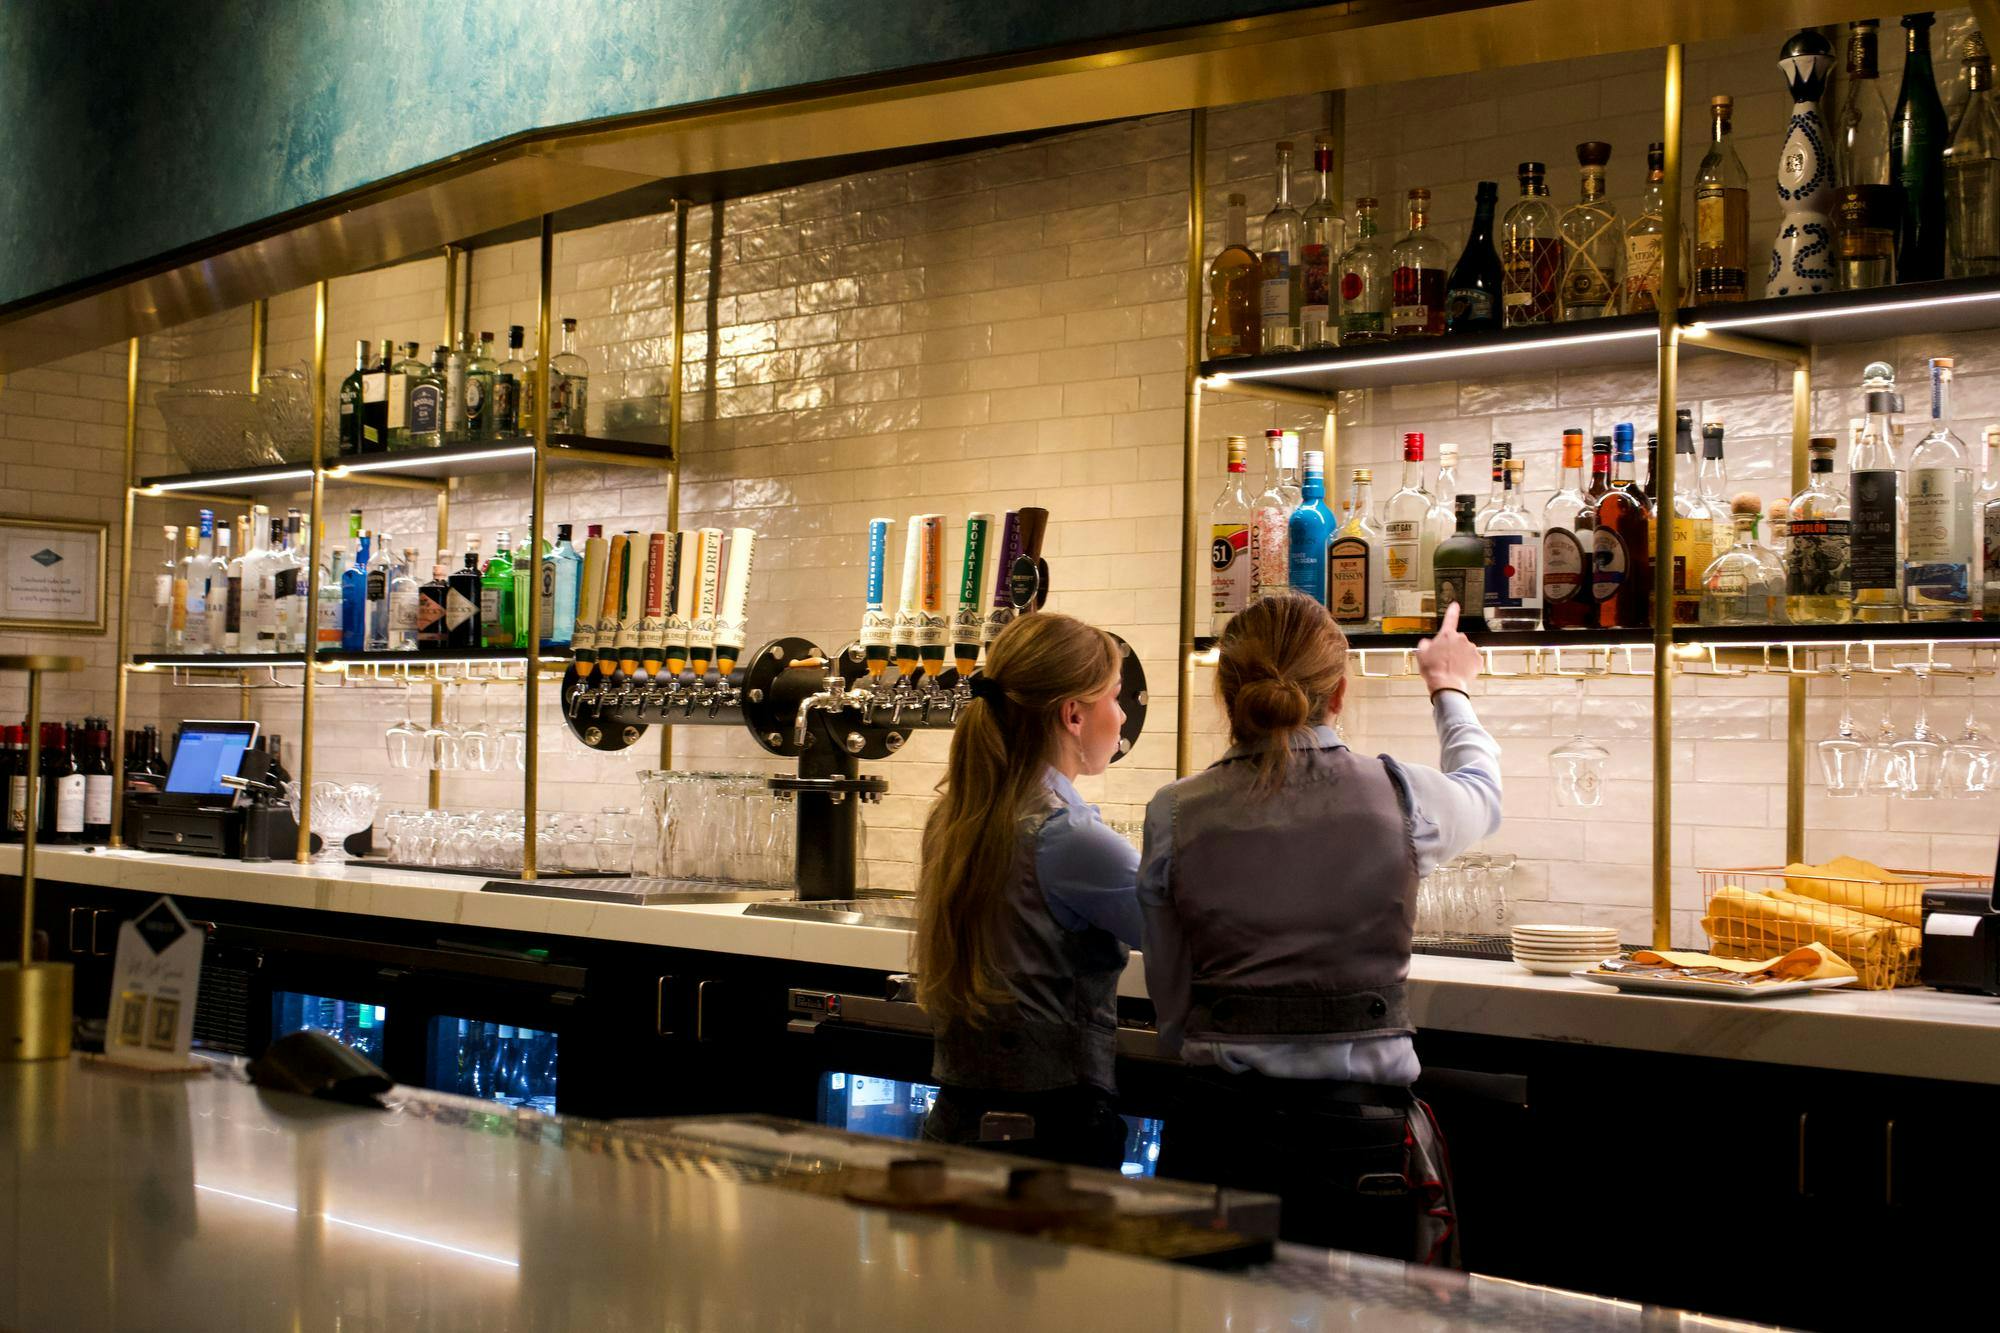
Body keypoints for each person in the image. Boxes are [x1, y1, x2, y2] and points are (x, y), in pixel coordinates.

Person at [1138, 595, 1500, 1264]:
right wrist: (1448, 686)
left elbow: (1172, 1006)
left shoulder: (1173, 813)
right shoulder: (1400, 795)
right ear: (1338, 691)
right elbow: (1482, 787)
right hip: (1360, 1143)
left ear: (1225, 692)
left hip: (1218, 1136)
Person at [913, 611, 1140, 1170]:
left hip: (957, 1121)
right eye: (1115, 697)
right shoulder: (1068, 836)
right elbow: (1192, 931)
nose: (1123, 713)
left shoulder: (957, 815)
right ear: (1072, 714)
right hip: (1051, 1137)